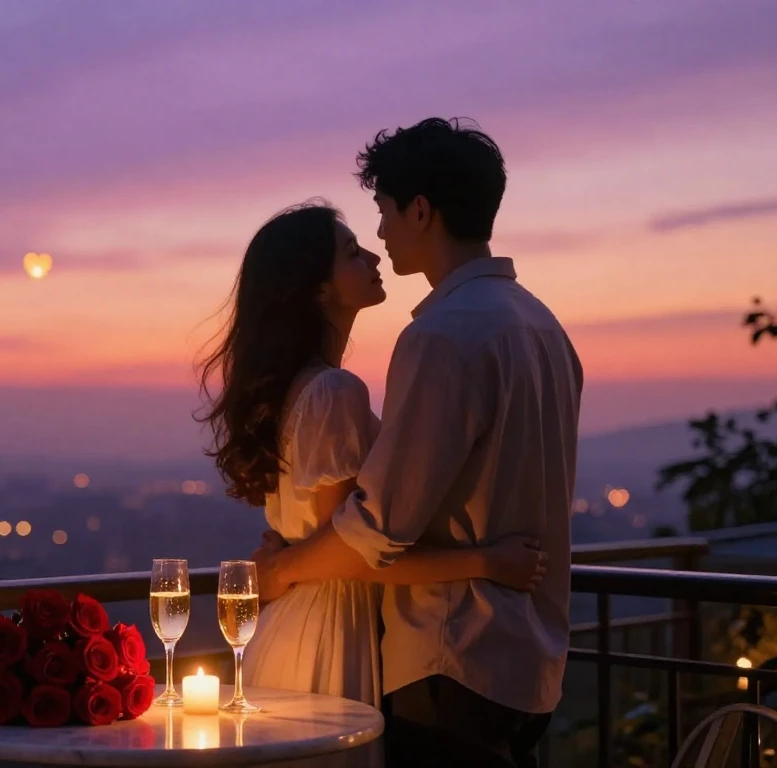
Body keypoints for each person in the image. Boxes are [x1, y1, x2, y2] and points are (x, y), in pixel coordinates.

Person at [254, 119, 583, 768]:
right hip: (533, 658)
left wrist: (283, 568)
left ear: (421, 211)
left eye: (384, 213)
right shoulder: (545, 328)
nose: (380, 235)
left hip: (452, 654)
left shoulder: (442, 337)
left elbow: (379, 526)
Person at [196, 201, 549, 766]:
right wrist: (487, 561)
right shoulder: (335, 392)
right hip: (332, 625)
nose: (372, 255)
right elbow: (361, 554)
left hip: (294, 619)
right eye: (351, 252)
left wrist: (286, 559)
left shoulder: (300, 389)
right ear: (317, 289)